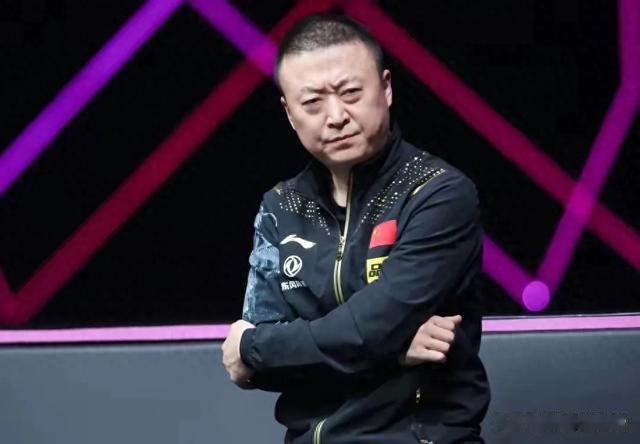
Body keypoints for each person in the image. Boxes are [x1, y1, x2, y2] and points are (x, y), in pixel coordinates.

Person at [222, 13, 490, 444]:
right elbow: (267, 371)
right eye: (312, 103)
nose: (335, 116)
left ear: (386, 88)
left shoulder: (437, 193)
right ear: (289, 113)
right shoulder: (280, 206)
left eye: (350, 93)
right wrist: (395, 349)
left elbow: (366, 332)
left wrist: (252, 347)